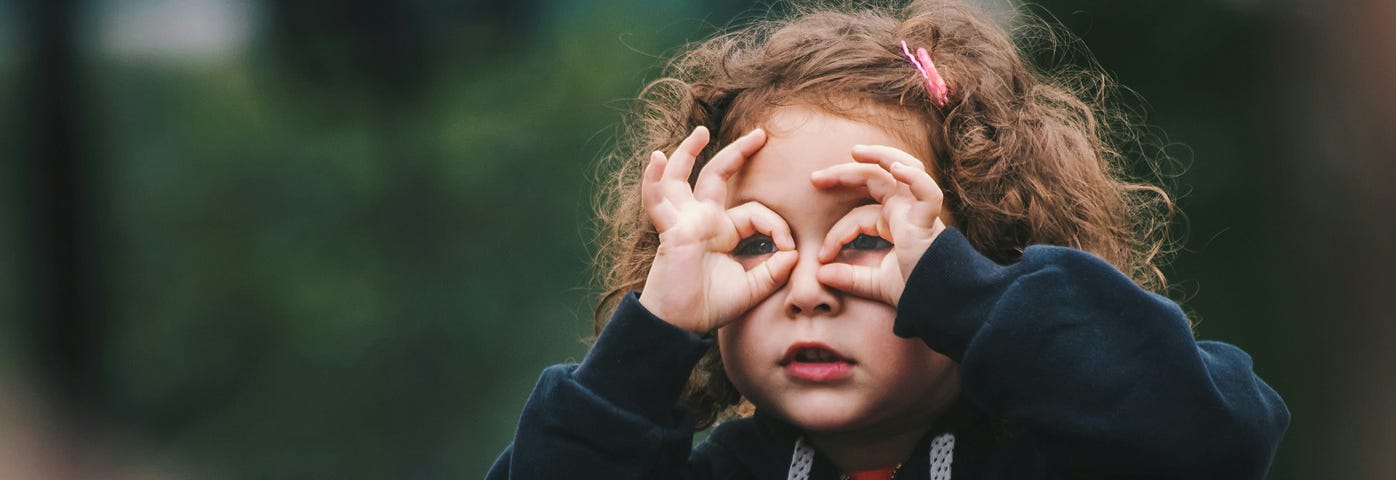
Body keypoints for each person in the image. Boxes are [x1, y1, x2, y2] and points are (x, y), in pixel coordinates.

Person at [486, 1, 1289, 478]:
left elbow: (1220, 437)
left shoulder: (1062, 457)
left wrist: (969, 295)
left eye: (866, 241)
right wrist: (657, 326)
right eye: (757, 246)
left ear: (985, 251)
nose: (808, 290)